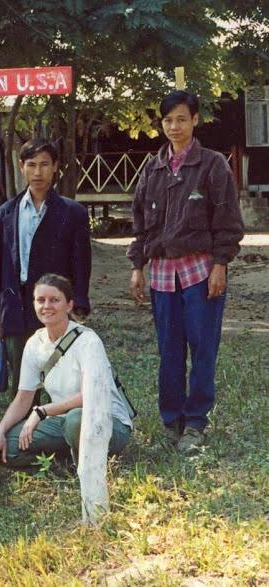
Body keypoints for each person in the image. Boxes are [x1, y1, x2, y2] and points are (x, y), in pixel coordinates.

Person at [127, 91, 244, 454]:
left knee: (203, 348)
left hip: (201, 272)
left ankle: (195, 424)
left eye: (181, 119)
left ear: (195, 120)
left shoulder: (212, 165)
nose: (174, 127)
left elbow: (227, 223)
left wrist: (220, 265)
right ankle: (171, 423)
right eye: (167, 120)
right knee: (170, 351)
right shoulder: (153, 167)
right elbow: (141, 223)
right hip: (162, 275)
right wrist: (137, 267)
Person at [0, 274, 133, 470]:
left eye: (54, 300)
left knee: (76, 419)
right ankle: (64, 466)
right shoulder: (34, 343)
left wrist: (42, 411)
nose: (47, 306)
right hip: (63, 422)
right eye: (41, 300)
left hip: (107, 422)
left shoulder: (88, 340)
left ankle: (91, 467)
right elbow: (23, 398)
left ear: (69, 305)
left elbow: (91, 395)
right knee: (9, 444)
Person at [0, 139, 91, 394]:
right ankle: (22, 432)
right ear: (21, 167)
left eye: (44, 164)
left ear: (56, 167)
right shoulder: (5, 214)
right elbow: (0, 265)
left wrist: (78, 303)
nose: (37, 172)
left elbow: (81, 262)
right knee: (23, 383)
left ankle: (57, 431)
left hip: (54, 303)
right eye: (31, 165)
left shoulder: (72, 212)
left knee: (62, 379)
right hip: (16, 306)